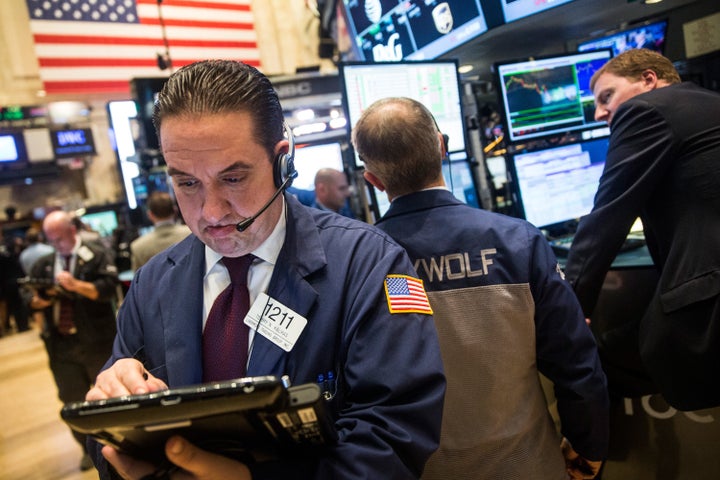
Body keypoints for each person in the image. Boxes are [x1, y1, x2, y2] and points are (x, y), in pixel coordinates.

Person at [86, 60, 445, 480]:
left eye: (233, 179)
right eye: (187, 183)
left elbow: (396, 438)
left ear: (282, 163)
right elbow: (104, 442)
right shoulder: (153, 282)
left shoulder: (368, 263)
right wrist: (114, 426)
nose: (211, 211)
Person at [353, 97, 609, 480]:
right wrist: (588, 444)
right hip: (527, 466)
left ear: (372, 179)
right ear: (442, 146)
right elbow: (575, 361)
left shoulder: (362, 262)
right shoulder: (519, 241)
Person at [565, 48, 720, 411]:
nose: (600, 113)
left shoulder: (646, 110)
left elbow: (607, 218)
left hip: (709, 308)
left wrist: (569, 305)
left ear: (649, 80)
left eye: (607, 97)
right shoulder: (708, 103)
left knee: (585, 361)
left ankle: (582, 457)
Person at [29, 210, 120, 471]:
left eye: (59, 238)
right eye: (51, 239)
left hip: (97, 338)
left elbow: (107, 289)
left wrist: (75, 285)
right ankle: (87, 448)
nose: (55, 244)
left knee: (108, 394)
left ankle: (118, 443)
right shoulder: (45, 263)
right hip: (61, 344)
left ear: (71, 231)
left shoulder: (95, 253)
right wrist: (39, 301)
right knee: (71, 398)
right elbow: (30, 300)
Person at [130, 191, 191, 270]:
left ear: (150, 215)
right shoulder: (192, 234)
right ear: (175, 210)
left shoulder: (138, 247)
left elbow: (137, 280)